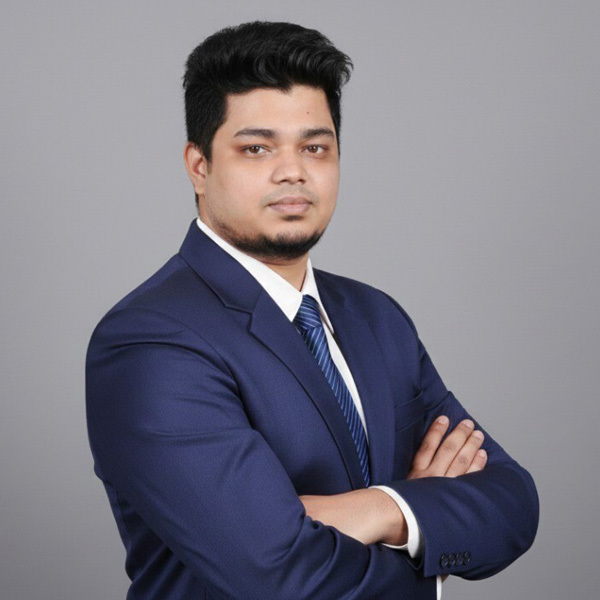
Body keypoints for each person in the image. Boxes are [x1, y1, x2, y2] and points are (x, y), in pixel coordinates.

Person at [86, 21, 538, 600]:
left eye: (315, 147)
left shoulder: (377, 318)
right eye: (256, 148)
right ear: (199, 166)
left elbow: (513, 503)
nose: (293, 171)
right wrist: (426, 529)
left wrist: (381, 509)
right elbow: (279, 576)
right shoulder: (151, 342)